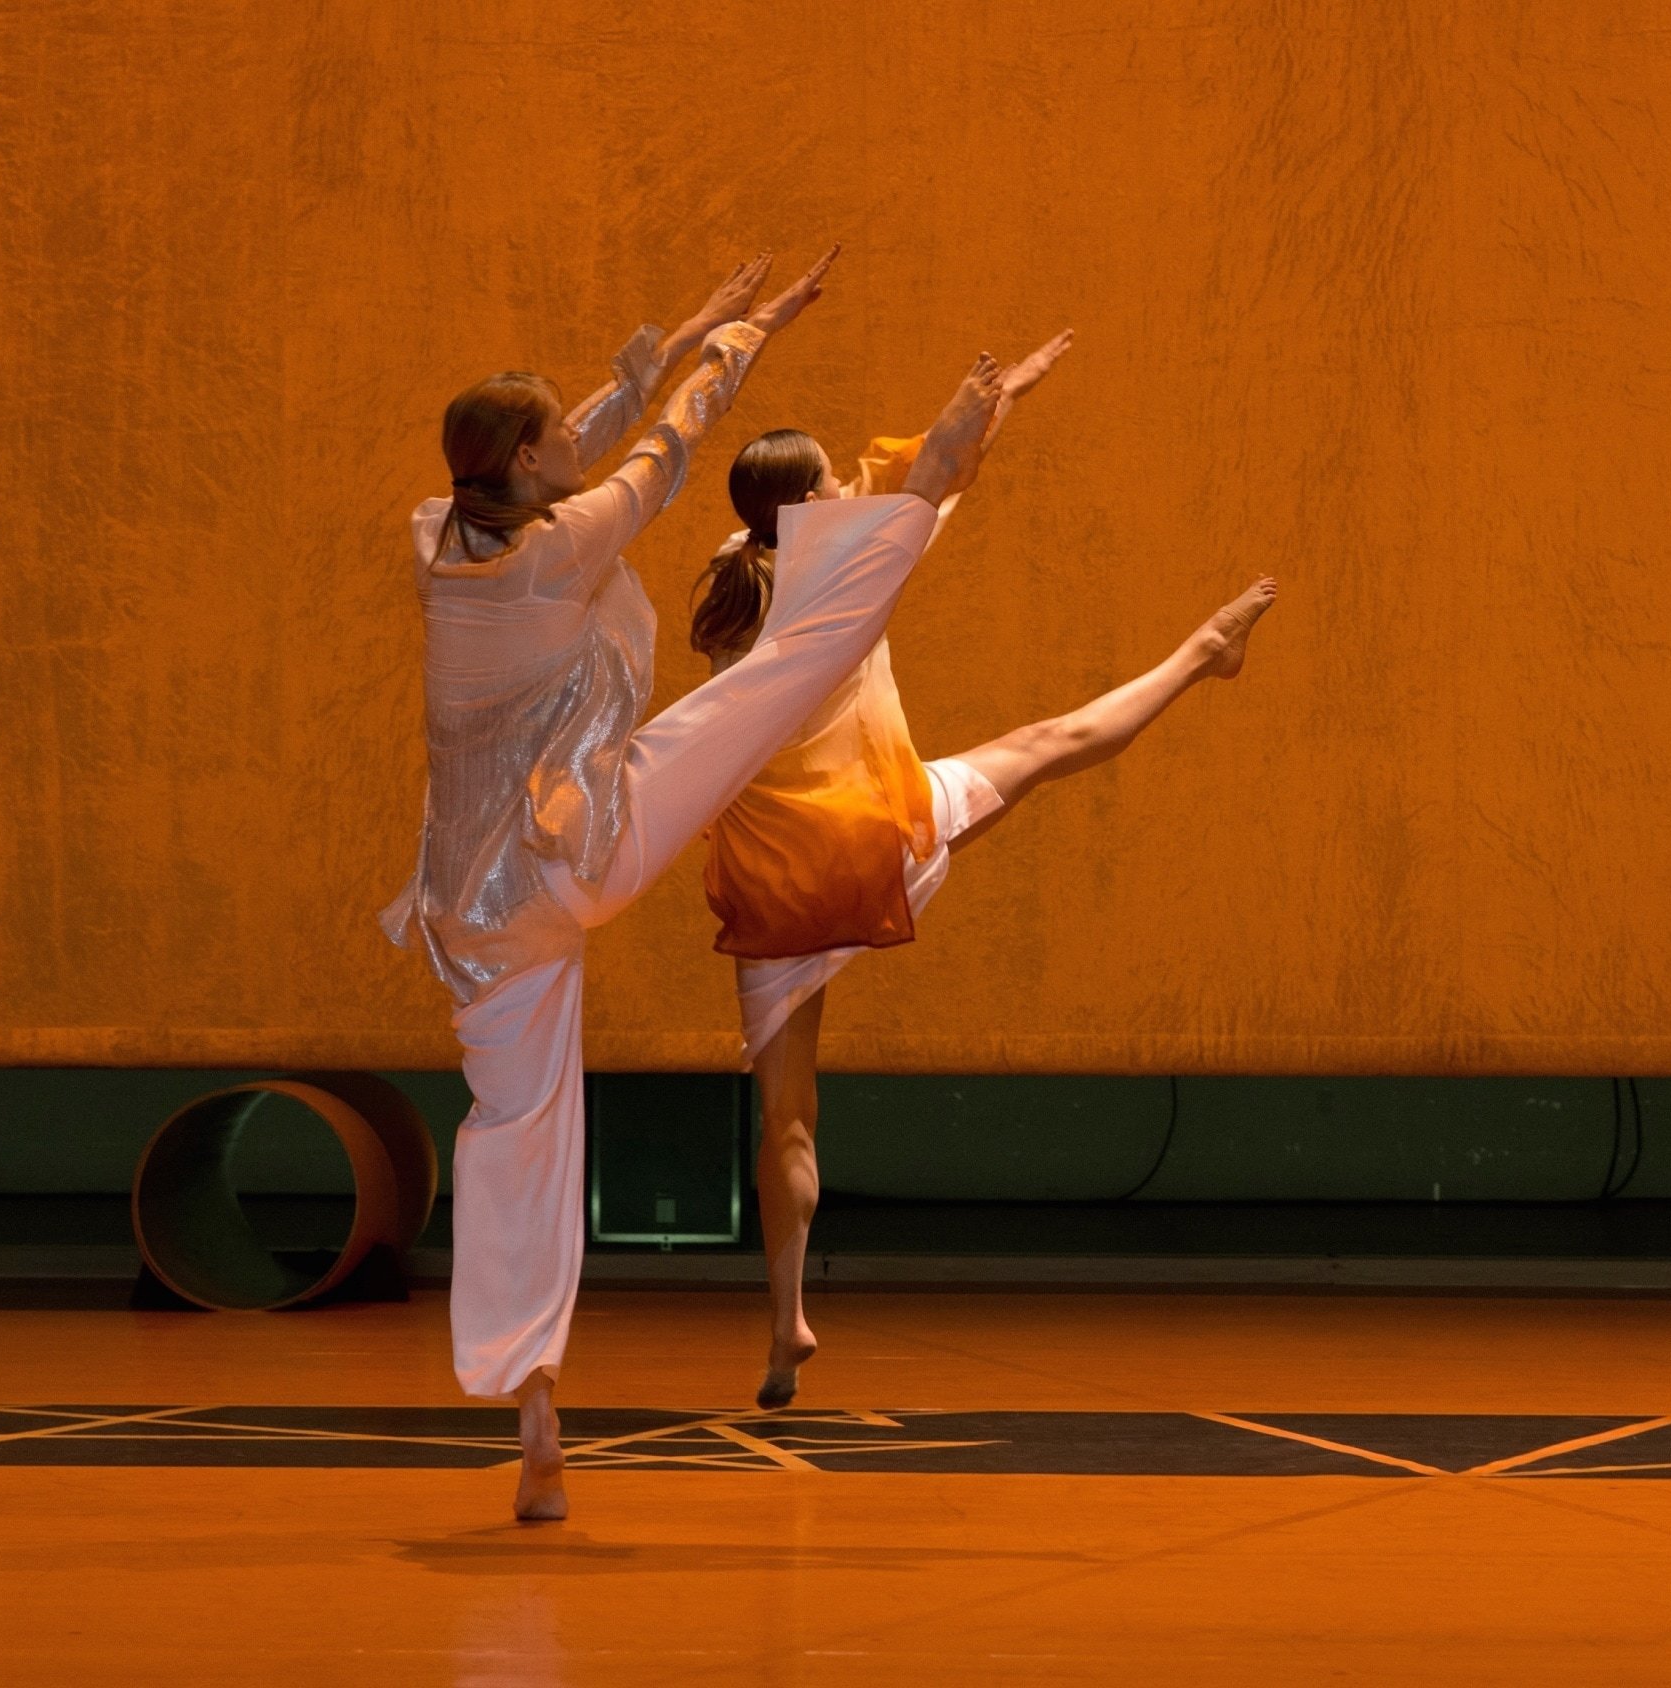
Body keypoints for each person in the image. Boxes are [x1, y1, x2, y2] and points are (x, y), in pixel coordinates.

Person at [384, 246, 1016, 1518]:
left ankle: (536, 1406)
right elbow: (660, 448)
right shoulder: (555, 551)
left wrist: (683, 330)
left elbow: (600, 430)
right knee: (781, 673)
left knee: (514, 1138)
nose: (581, 428)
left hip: (474, 911)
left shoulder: (440, 537)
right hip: (585, 846)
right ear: (524, 465)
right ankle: (911, 514)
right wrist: (738, 339)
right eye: (557, 429)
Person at [684, 334, 1278, 1408]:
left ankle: (785, 1327)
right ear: (816, 502)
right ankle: (1202, 653)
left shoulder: (734, 584)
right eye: (831, 483)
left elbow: (913, 487)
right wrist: (993, 408)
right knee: (1046, 744)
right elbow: (936, 481)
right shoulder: (841, 564)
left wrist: (971, 431)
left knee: (788, 1118)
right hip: (872, 839)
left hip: (772, 885)